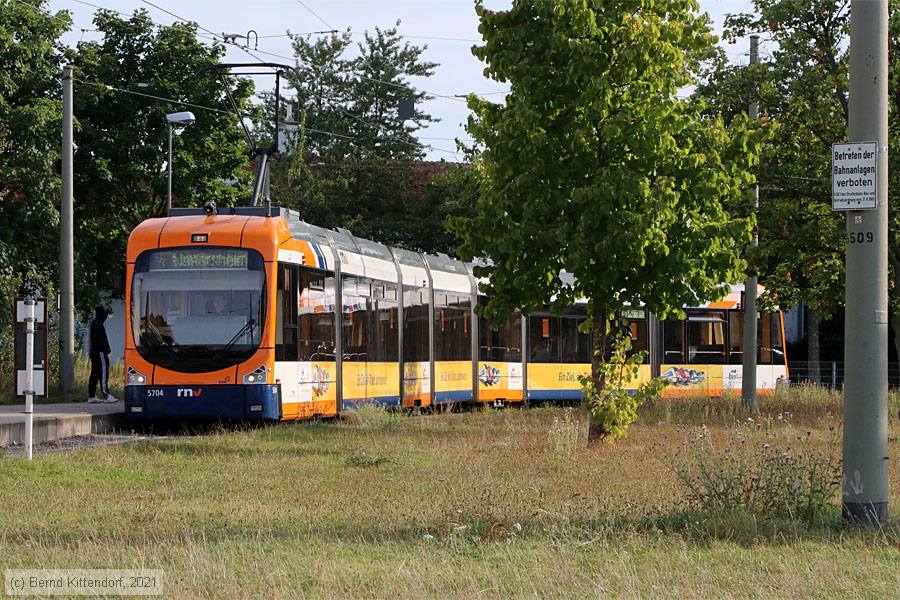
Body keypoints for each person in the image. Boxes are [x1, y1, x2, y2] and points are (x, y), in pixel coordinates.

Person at [88, 305, 117, 403]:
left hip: (94, 352)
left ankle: (91, 396)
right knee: (103, 374)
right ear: (104, 315)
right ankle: (107, 395)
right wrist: (107, 349)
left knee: (94, 374)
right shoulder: (99, 325)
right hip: (100, 353)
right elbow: (101, 340)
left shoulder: (94, 323)